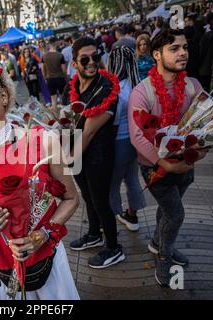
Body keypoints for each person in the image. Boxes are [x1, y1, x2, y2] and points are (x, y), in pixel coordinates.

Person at [0, 45, 80, 300]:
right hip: (1, 272)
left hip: (47, 265)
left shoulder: (43, 141)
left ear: (2, 96)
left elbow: (71, 198)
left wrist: (44, 234)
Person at [128, 29, 207, 287]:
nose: (183, 52)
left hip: (186, 163)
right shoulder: (142, 92)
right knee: (176, 214)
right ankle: (164, 256)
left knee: (168, 209)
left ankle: (156, 242)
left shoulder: (193, 85)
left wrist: (203, 148)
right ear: (157, 55)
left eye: (184, 47)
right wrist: (164, 163)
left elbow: (206, 122)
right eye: (174, 48)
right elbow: (137, 136)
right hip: (155, 167)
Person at [62, 37, 125, 269]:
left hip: (97, 155)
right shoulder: (74, 85)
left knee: (100, 201)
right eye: (85, 59)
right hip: (77, 151)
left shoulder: (106, 88)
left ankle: (113, 247)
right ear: (75, 63)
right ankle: (94, 233)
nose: (91, 62)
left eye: (95, 57)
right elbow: (70, 118)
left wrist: (68, 159)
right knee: (88, 197)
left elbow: (88, 133)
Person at [107, 46, 146, 232]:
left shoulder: (116, 89)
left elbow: (112, 120)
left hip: (119, 141)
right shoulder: (139, 85)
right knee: (132, 179)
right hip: (135, 140)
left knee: (112, 183)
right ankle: (133, 214)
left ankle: (113, 216)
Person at [41, 37, 67, 109]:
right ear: (56, 43)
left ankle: (55, 116)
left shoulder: (44, 56)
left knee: (53, 99)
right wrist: (65, 78)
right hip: (60, 78)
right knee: (63, 98)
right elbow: (64, 70)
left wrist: (45, 78)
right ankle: (65, 116)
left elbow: (43, 69)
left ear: (49, 44)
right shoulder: (60, 55)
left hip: (50, 79)